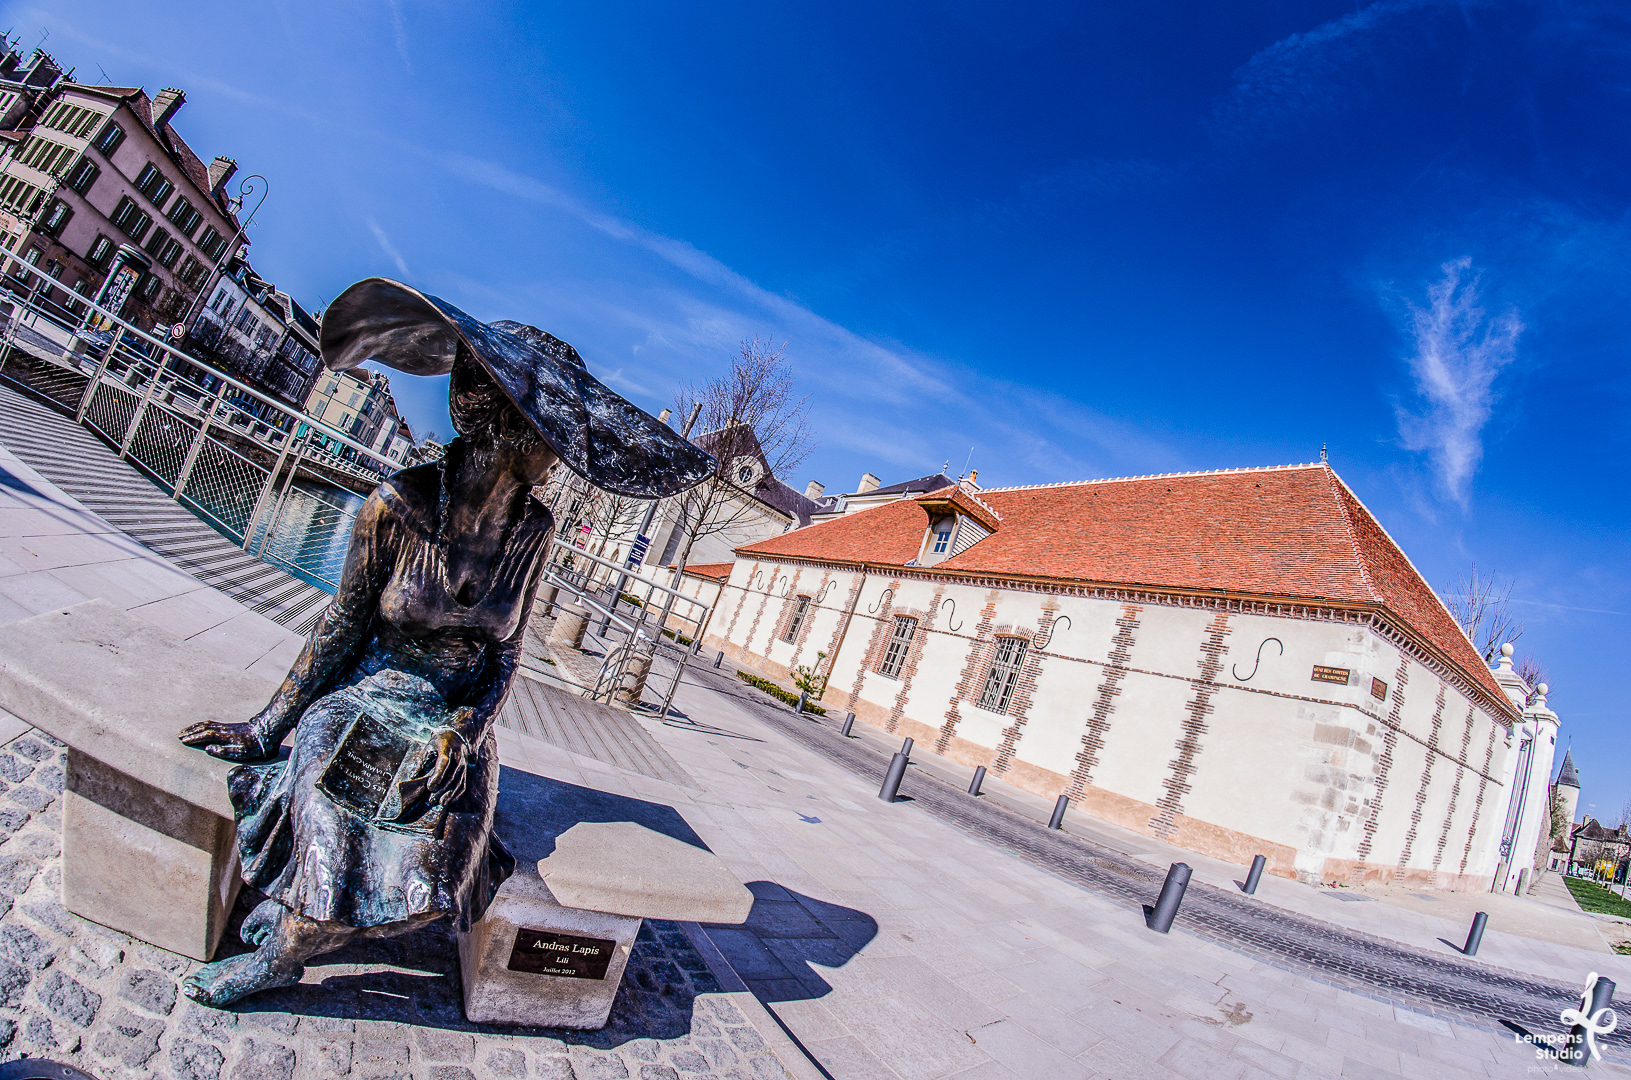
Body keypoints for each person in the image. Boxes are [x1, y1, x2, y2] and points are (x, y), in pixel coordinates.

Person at [178, 279, 711, 1006]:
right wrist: (270, 723)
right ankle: (285, 952)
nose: (557, 457)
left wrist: (466, 727)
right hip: (365, 694)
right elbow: (340, 627)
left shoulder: (534, 531)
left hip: (453, 720)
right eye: (546, 434)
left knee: (443, 859)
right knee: (333, 811)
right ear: (494, 422)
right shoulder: (394, 505)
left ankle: (296, 917)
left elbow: (504, 654)